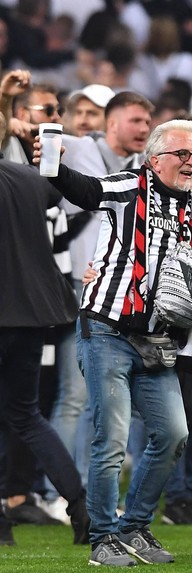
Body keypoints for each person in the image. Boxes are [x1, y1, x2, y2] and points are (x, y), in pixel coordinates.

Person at [34, 119, 192, 567]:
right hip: (107, 331)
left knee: (174, 433)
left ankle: (134, 526)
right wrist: (53, 159)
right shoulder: (126, 187)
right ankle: (102, 538)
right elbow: (81, 190)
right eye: (183, 154)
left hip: (159, 340)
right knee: (113, 437)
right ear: (155, 159)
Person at [0, 109, 89, 547]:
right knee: (27, 414)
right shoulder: (26, 178)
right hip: (34, 316)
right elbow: (54, 196)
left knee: (23, 414)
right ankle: (80, 507)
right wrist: (48, 161)